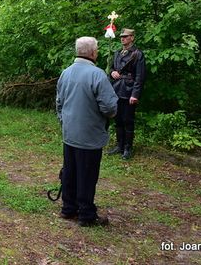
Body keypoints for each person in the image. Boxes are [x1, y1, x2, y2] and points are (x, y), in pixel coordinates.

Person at [56, 36, 118, 227]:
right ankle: (86, 214)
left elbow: (59, 103)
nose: (98, 52)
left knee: (70, 170)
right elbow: (110, 107)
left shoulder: (65, 73)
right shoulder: (97, 75)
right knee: (87, 174)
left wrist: (65, 122)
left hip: (70, 133)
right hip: (89, 135)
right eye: (97, 49)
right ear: (92, 53)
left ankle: (68, 208)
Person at [108, 28, 146, 160]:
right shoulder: (117, 53)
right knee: (118, 119)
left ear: (132, 38)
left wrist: (135, 94)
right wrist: (112, 72)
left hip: (129, 91)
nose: (122, 38)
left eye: (125, 36)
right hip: (116, 89)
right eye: (121, 36)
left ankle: (127, 148)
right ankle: (119, 145)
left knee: (128, 120)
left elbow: (140, 76)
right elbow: (112, 68)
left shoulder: (137, 54)